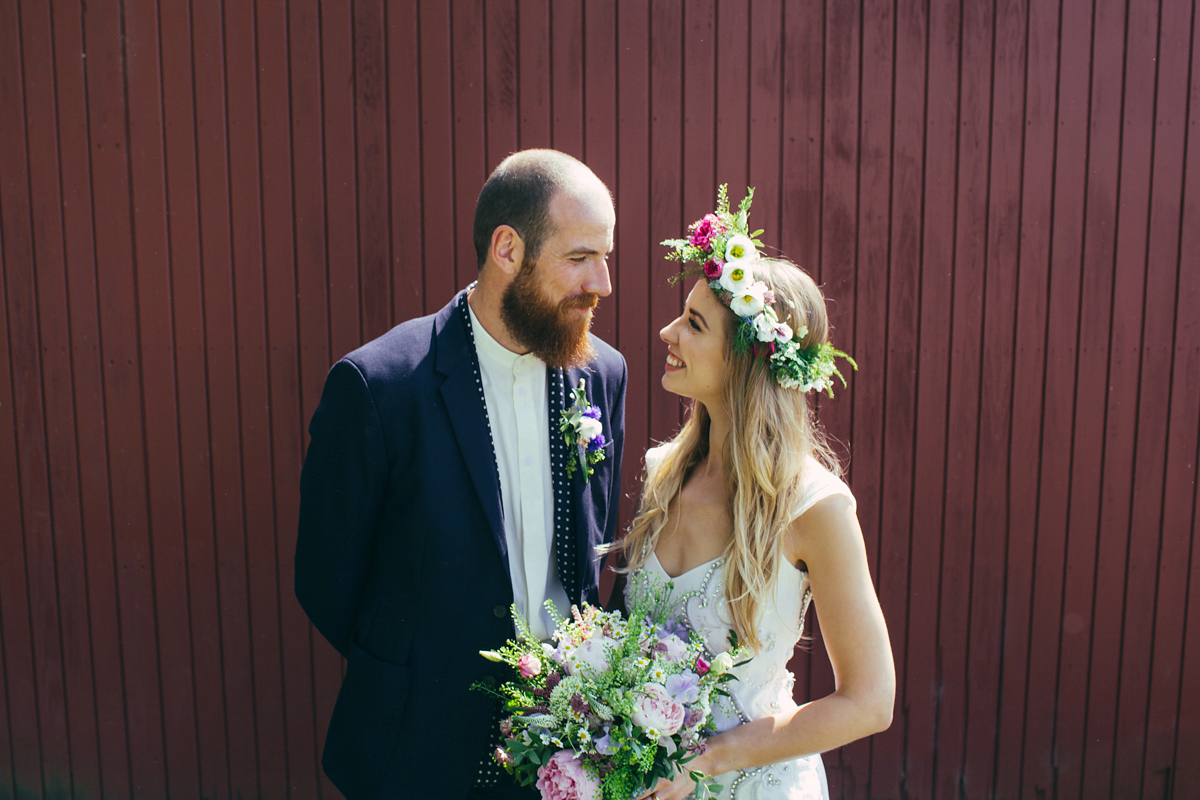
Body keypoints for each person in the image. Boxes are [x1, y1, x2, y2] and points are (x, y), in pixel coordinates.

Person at [295, 149, 627, 799]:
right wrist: (418, 670)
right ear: (508, 249)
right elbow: (325, 579)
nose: (602, 284)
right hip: (419, 751)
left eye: (606, 256)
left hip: (568, 751)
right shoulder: (379, 385)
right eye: (581, 256)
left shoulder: (603, 373)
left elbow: (594, 544)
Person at [612, 189, 894, 799]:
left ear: (747, 362)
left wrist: (710, 759)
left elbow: (870, 702)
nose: (666, 332)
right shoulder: (661, 474)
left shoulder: (814, 505)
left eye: (693, 324)